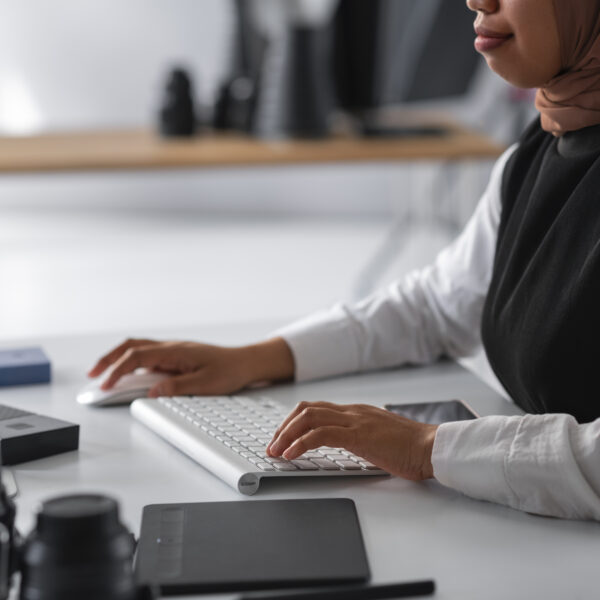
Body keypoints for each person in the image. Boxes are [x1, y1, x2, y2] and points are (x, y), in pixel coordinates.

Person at [89, 0, 600, 521]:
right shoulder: (538, 151)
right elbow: (433, 306)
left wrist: (428, 448)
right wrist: (254, 359)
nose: (477, 1)